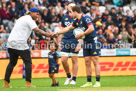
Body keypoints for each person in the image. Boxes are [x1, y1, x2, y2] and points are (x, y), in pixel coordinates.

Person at [2, 8, 57, 88]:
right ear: (31, 13)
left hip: (11, 42)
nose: (38, 16)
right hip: (20, 43)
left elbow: (20, 30)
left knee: (12, 63)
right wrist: (48, 34)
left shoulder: (22, 18)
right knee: (28, 62)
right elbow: (37, 30)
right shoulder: (29, 20)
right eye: (36, 14)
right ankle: (28, 83)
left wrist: (27, 37)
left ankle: (6, 83)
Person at [56, 5, 101, 87]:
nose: (70, 14)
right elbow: (68, 28)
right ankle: (89, 82)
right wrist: (58, 33)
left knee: (95, 60)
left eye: (71, 12)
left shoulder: (85, 17)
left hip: (93, 41)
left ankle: (97, 82)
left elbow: (91, 28)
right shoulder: (76, 21)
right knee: (87, 61)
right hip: (86, 41)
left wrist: (82, 34)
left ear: (75, 12)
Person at [60, 3, 82, 85]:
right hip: (65, 40)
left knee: (74, 59)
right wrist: (59, 41)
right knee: (63, 60)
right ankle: (68, 76)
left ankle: (74, 79)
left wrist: (80, 43)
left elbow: (81, 31)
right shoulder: (64, 18)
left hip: (75, 40)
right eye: (69, 7)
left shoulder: (79, 18)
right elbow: (62, 29)